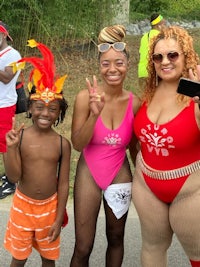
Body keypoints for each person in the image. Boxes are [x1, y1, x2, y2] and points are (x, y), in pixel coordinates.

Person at [69, 25, 141, 267]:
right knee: (83, 246)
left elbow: (134, 147)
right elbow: (78, 144)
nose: (112, 69)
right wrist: (94, 114)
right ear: (99, 67)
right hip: (89, 170)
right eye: (105, 63)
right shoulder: (84, 97)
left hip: (119, 172)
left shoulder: (135, 103)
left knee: (116, 237)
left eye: (119, 63)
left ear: (128, 65)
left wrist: (144, 176)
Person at [132, 25, 200, 267]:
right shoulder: (150, 91)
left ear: (186, 56)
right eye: (158, 57)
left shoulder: (195, 96)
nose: (165, 62)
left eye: (173, 55)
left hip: (189, 191)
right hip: (147, 186)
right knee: (152, 248)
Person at [4, 39, 71, 267]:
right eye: (40, 107)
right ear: (30, 109)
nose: (46, 113)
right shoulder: (20, 138)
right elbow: (13, 177)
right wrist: (10, 149)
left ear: (60, 113)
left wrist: (59, 214)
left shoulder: (63, 144)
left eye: (53, 108)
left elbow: (63, 184)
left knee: (48, 259)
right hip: (22, 206)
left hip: (50, 210)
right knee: (18, 259)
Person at [0, 20, 21, 199]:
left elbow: (7, 77)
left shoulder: (14, 55)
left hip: (5, 105)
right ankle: (7, 175)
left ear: (4, 35)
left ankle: (11, 182)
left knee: (5, 144)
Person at [138, 13, 166, 90]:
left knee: (145, 99)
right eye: (164, 24)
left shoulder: (144, 37)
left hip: (142, 72)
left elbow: (140, 54)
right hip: (154, 73)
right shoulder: (161, 36)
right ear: (158, 25)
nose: (165, 27)